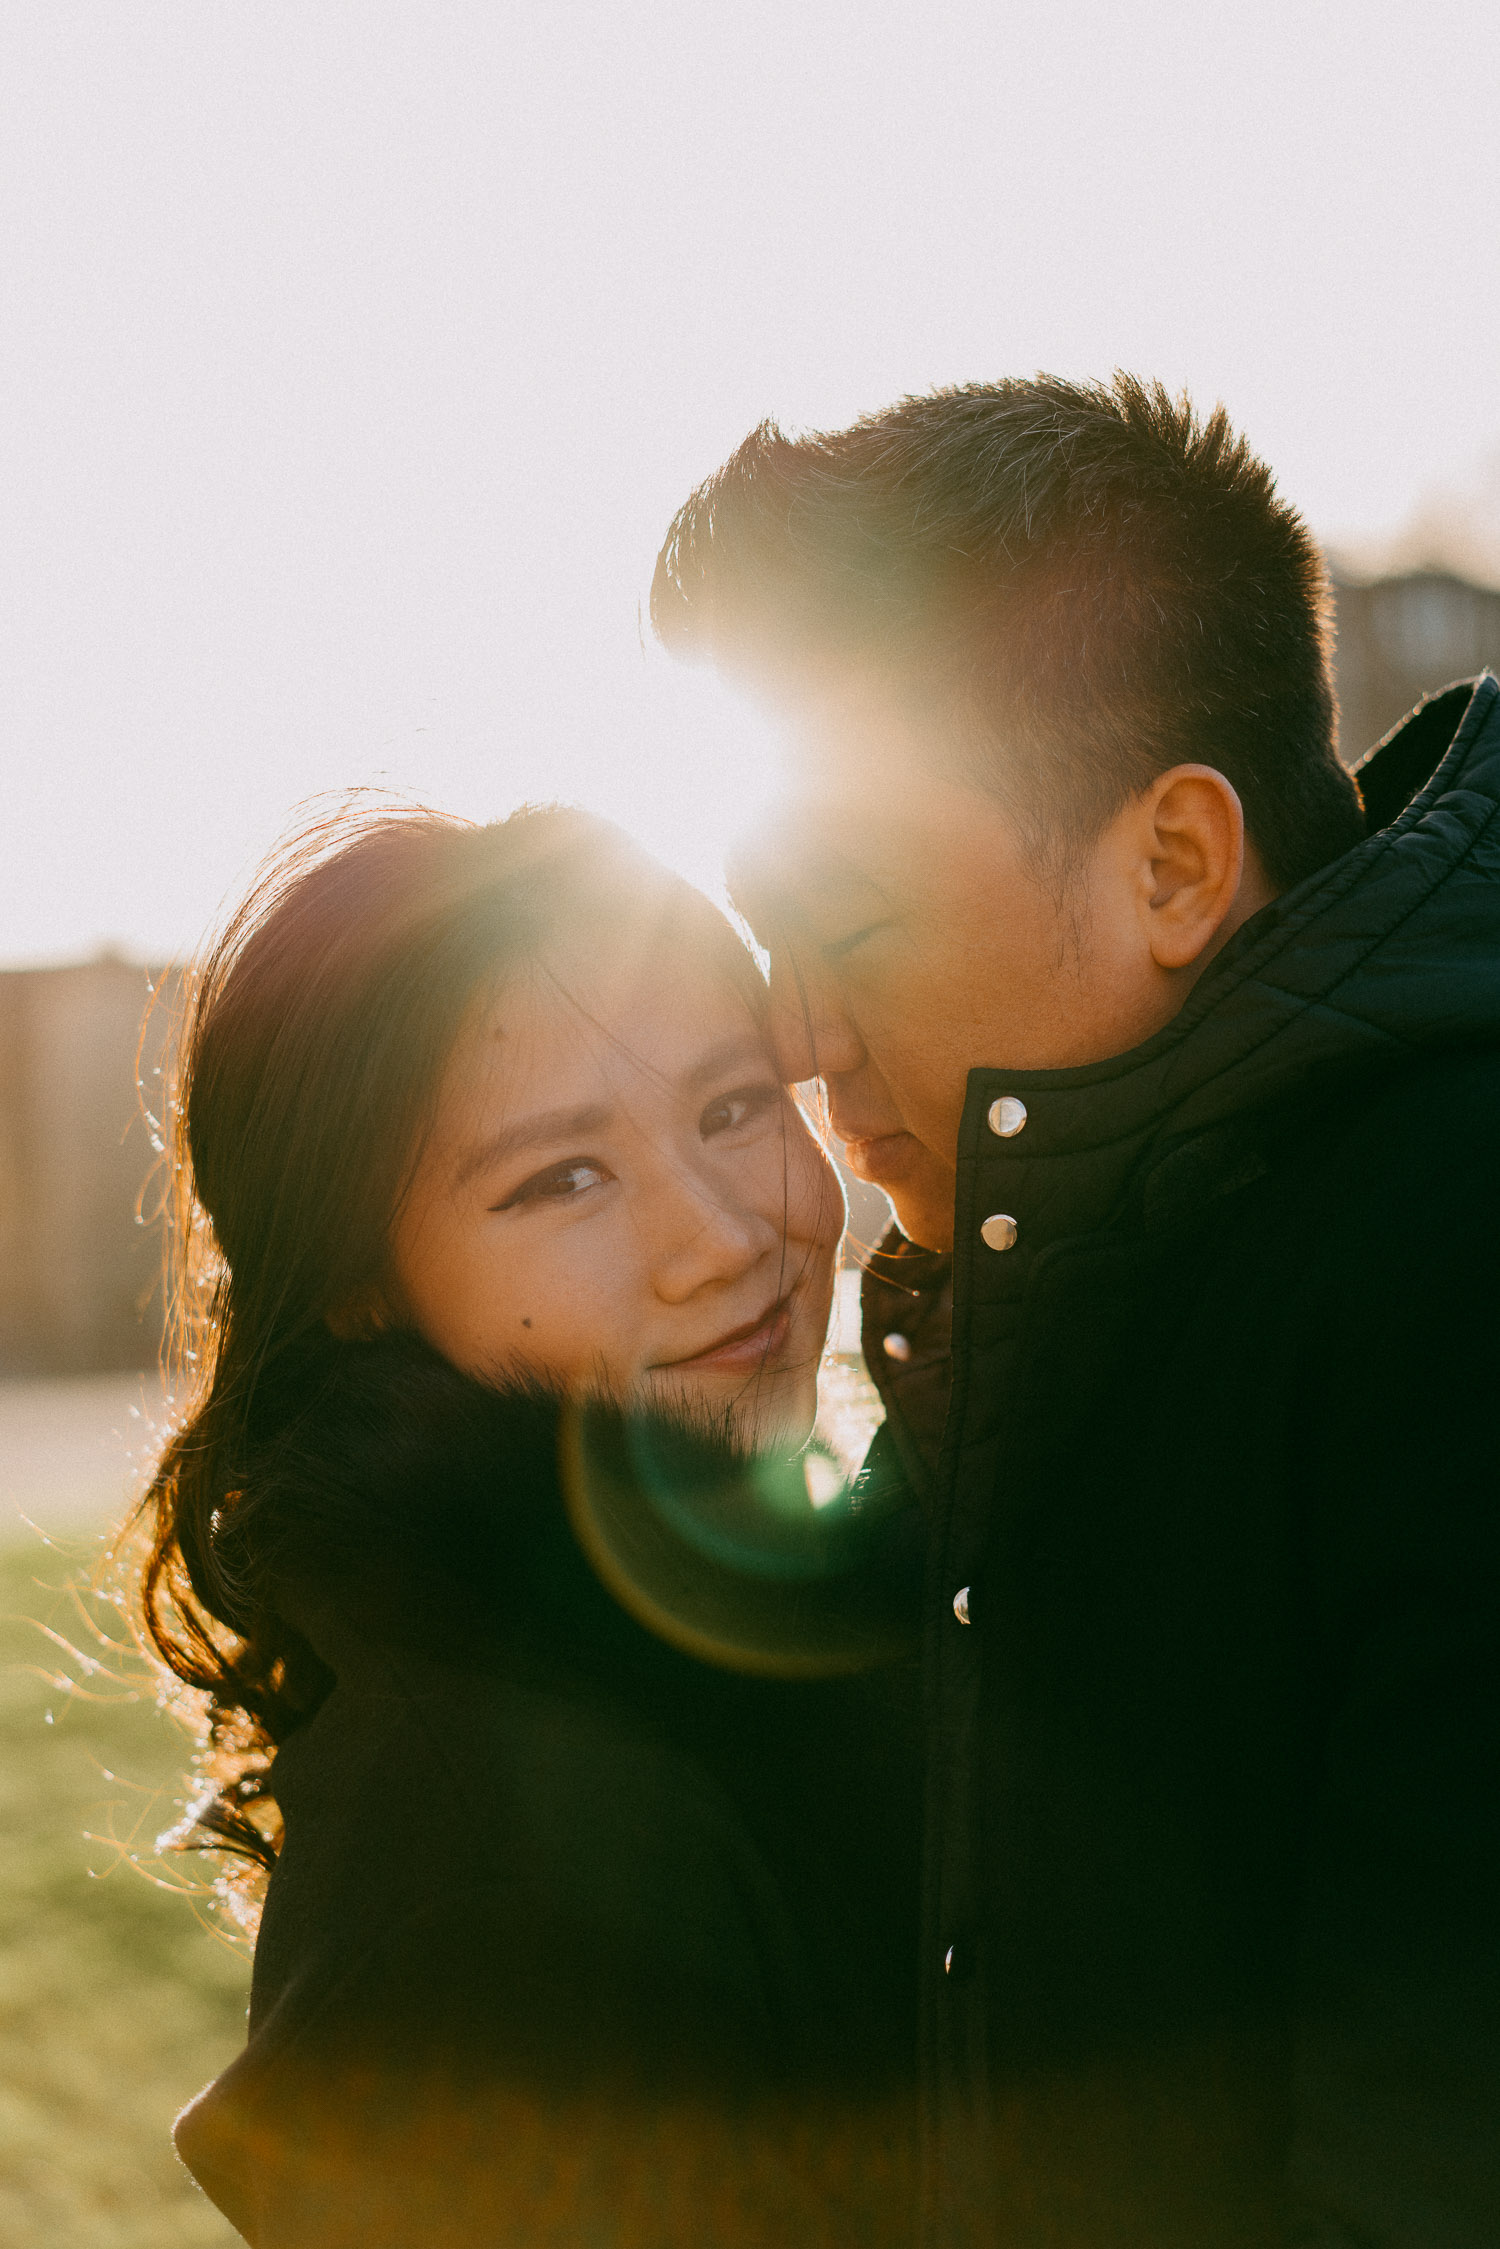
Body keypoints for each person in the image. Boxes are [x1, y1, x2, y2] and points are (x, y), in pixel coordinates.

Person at [651, 377, 1500, 2248]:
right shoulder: (1061, 1268)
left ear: (1176, 865)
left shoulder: (1447, 1274)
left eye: (850, 919)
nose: (791, 1031)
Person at [138, 803, 924, 2247]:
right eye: (563, 1177)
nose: (725, 1237)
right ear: (360, 1285)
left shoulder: (853, 1611)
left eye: (735, 1105)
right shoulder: (490, 1877)